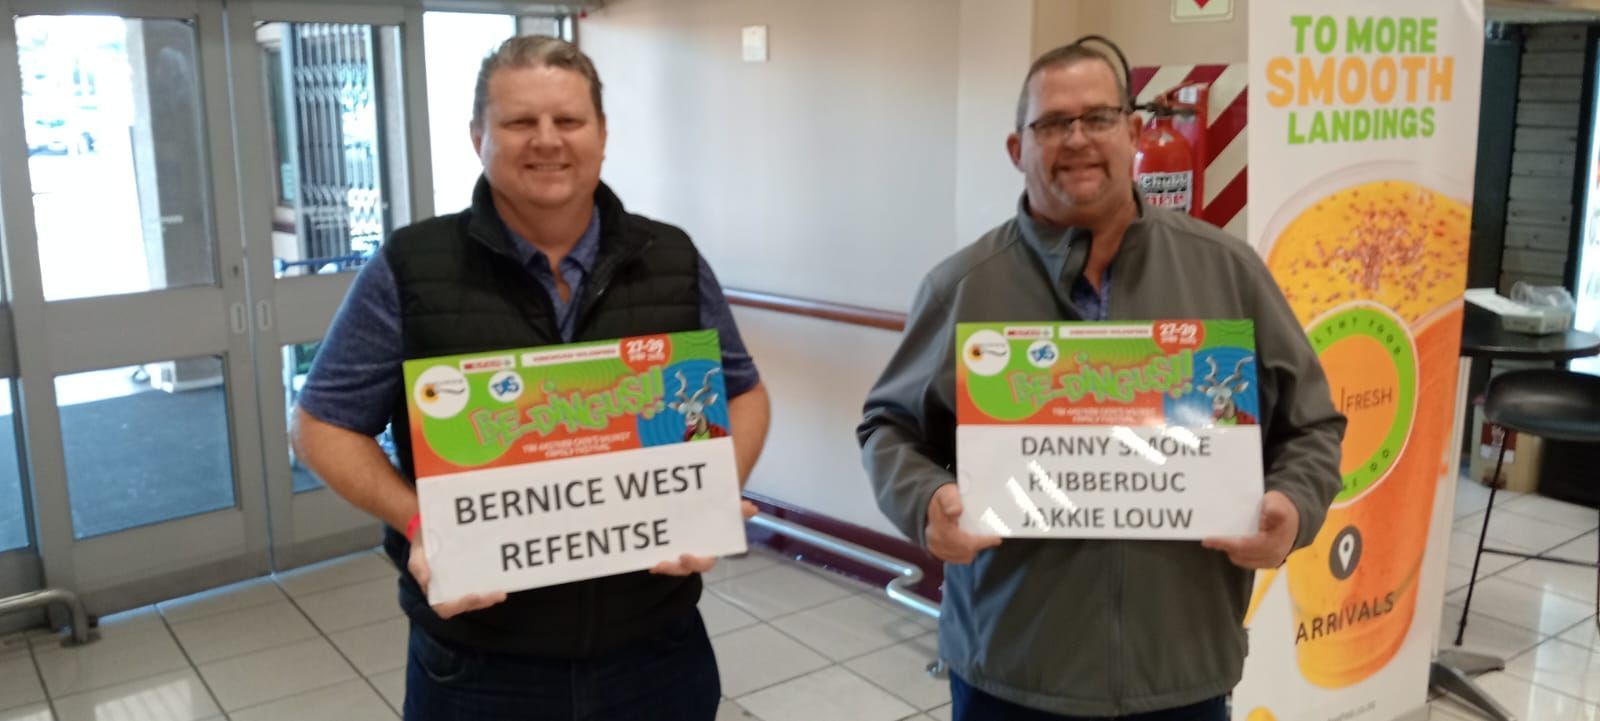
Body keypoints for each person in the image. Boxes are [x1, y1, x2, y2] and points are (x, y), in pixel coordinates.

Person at [857, 40, 1345, 721]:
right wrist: (925, 499)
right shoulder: (963, 287)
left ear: (1135, 132)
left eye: (1099, 117)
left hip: (1181, 669)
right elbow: (887, 427)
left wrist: (1294, 504)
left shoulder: (1227, 271)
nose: (1078, 139)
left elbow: (1313, 423)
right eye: (1053, 123)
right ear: (1015, 148)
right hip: (1011, 668)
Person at [291, 35, 771, 721]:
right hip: (480, 663)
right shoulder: (411, 266)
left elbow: (743, 390)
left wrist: (713, 493)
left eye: (568, 121)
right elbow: (320, 423)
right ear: (478, 136)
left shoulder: (672, 256)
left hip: (656, 651)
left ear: (603, 134)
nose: (547, 141)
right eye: (520, 122)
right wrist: (419, 520)